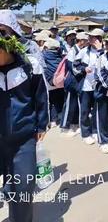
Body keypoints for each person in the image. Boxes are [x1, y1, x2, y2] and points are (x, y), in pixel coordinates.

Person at [0, 30, 48, 222]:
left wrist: (42, 125)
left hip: (23, 139)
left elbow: (41, 97)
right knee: (11, 185)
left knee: (23, 186)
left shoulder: (29, 66)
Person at [75, 28, 105, 145]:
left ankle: (95, 130)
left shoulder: (104, 52)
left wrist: (100, 50)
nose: (90, 39)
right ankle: (85, 133)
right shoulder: (84, 51)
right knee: (85, 110)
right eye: (90, 37)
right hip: (86, 85)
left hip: (99, 86)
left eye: (93, 37)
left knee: (98, 110)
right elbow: (75, 65)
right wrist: (83, 69)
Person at [61, 32, 89, 136]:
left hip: (80, 80)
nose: (87, 42)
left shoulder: (83, 50)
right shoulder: (73, 50)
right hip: (72, 80)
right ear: (81, 41)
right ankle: (64, 126)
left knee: (77, 104)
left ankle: (75, 124)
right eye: (86, 40)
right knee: (69, 104)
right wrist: (83, 71)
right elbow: (71, 67)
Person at [42, 38, 65, 127]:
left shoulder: (44, 55)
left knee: (51, 101)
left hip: (49, 82)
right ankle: (59, 117)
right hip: (59, 81)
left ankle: (53, 120)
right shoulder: (60, 56)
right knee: (58, 100)